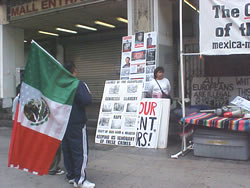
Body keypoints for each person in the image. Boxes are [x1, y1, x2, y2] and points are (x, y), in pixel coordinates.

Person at [62, 62, 95, 188]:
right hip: (77, 122)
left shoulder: (59, 84)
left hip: (63, 122)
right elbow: (87, 100)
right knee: (80, 151)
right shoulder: (77, 83)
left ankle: (71, 175)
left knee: (67, 149)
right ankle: (80, 180)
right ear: (74, 71)